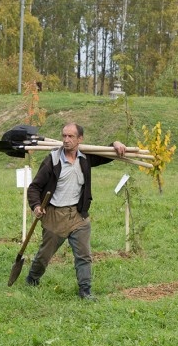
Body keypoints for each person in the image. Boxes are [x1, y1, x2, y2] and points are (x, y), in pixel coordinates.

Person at [25, 123, 126, 300]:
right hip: (55, 216)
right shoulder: (53, 160)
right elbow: (34, 187)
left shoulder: (85, 158)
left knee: (84, 256)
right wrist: (36, 206)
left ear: (80, 139)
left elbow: (107, 155)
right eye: (64, 136)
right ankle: (32, 279)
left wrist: (115, 144)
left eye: (71, 136)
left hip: (78, 215)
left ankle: (85, 291)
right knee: (44, 256)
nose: (66, 140)